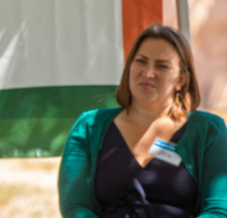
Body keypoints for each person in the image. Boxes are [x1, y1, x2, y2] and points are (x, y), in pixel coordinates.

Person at [58, 24, 227, 217]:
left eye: (162, 66)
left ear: (181, 79)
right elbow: (75, 207)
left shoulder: (209, 131)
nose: (147, 73)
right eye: (141, 61)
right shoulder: (89, 127)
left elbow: (218, 210)